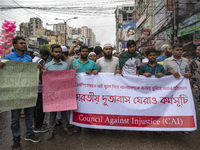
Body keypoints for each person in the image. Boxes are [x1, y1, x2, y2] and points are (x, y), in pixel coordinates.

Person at [0, 36, 40, 150]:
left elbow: (31, 73)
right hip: (15, 93)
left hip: (28, 92)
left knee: (29, 115)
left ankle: (29, 134)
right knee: (15, 117)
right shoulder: (8, 58)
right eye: (21, 43)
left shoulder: (28, 58)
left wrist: (37, 69)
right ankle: (16, 138)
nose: (24, 45)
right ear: (15, 45)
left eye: (24, 43)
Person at [45, 44, 73, 140]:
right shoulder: (47, 66)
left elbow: (67, 79)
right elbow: (44, 80)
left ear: (62, 53)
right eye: (56, 52)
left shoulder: (65, 65)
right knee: (52, 113)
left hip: (63, 92)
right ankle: (51, 130)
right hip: (52, 93)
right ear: (52, 53)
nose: (58, 53)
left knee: (64, 111)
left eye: (59, 52)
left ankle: (65, 127)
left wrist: (72, 73)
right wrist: (41, 73)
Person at [163, 43, 191, 135]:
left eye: (181, 50)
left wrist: (188, 75)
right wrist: (170, 72)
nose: (179, 51)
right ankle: (167, 125)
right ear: (172, 51)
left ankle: (184, 126)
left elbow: (188, 72)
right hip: (170, 88)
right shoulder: (167, 61)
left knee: (182, 106)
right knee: (169, 106)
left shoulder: (186, 61)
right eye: (177, 50)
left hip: (183, 88)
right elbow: (163, 74)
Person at [139, 48, 166, 135]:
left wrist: (162, 75)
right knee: (145, 109)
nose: (152, 57)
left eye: (154, 55)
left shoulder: (161, 67)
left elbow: (167, 80)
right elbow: (137, 79)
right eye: (150, 55)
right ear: (147, 57)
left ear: (156, 56)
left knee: (158, 109)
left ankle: (158, 126)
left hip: (159, 92)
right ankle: (144, 126)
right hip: (146, 92)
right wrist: (143, 75)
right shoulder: (143, 67)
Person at [32, 48, 50, 133]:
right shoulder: (42, 61)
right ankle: (38, 127)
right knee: (40, 108)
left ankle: (36, 123)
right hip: (40, 87)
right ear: (46, 56)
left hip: (33, 86)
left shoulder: (33, 59)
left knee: (36, 107)